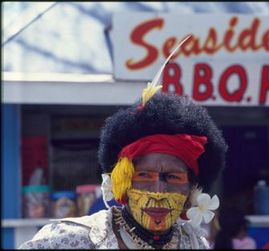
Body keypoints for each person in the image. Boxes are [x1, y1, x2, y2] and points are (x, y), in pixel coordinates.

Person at [19, 37, 228, 249]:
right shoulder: (70, 239)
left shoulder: (194, 243)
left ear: (191, 189)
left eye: (173, 177)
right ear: (124, 181)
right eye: (144, 175)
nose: (157, 191)